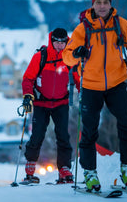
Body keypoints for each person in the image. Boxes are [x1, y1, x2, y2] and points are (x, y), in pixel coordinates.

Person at [62, 0, 127, 191]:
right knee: (89, 131)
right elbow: (66, 57)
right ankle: (90, 173)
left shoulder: (121, 24)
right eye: (98, 3)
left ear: (110, 4)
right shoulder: (82, 29)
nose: (102, 6)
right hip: (90, 85)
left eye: (105, 2)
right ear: (93, 5)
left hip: (116, 83)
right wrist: (76, 53)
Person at [21, 28, 79, 184]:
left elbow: (78, 77)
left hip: (61, 102)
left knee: (63, 136)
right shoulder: (41, 56)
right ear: (51, 41)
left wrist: (84, 93)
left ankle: (64, 169)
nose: (60, 46)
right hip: (41, 102)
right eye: (57, 42)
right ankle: (30, 167)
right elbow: (28, 79)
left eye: (62, 42)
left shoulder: (69, 58)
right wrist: (28, 95)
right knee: (37, 134)